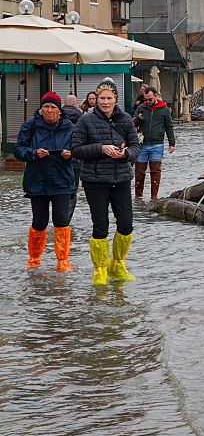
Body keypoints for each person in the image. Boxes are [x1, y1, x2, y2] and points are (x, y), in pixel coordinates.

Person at [71, 78, 141, 284]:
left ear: (116, 99)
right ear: (96, 100)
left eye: (109, 98)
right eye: (102, 98)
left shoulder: (126, 119)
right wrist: (101, 148)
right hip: (95, 180)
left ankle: (117, 263)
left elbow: (136, 148)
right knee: (100, 225)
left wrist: (126, 154)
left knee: (126, 223)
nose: (105, 102)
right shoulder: (85, 120)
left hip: (121, 178)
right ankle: (99, 269)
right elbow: (76, 149)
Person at [14, 92, 76, 271]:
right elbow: (18, 149)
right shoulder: (30, 125)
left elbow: (79, 152)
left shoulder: (69, 127)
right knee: (39, 221)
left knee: (62, 220)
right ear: (41, 109)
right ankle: (34, 258)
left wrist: (69, 155)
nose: (49, 110)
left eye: (53, 107)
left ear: (59, 110)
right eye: (46, 107)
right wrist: (33, 153)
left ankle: (62, 260)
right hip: (37, 180)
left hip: (62, 180)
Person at [133, 85, 176, 200]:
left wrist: (172, 143)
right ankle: (138, 197)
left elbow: (169, 126)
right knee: (139, 172)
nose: (148, 102)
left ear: (156, 96)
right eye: (146, 99)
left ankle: (154, 197)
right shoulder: (141, 107)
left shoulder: (164, 109)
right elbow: (132, 124)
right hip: (142, 144)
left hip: (157, 144)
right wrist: (139, 118)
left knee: (155, 171)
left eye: (150, 99)